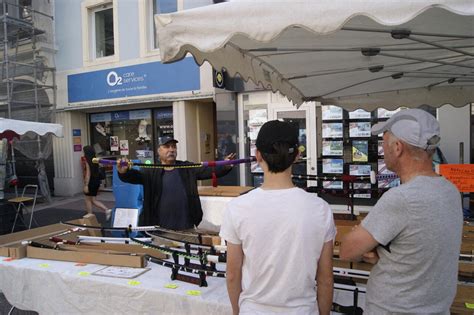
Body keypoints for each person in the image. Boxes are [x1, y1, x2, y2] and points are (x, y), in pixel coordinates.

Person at [340, 109, 463, 314]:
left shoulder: (401, 198)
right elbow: (418, 248)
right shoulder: (449, 191)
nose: (382, 150)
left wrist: (372, 243)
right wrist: (383, 251)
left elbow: (347, 250)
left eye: (384, 143)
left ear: (397, 148)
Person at [220, 120, 336, 315]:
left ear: (258, 156)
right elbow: (325, 279)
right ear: (297, 156)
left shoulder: (237, 208)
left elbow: (232, 274)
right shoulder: (320, 209)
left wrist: (236, 311)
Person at [117, 136, 236, 230]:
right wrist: (124, 172)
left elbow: (208, 170)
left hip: (187, 229)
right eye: (167, 147)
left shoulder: (187, 167)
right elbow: (133, 177)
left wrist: (224, 166)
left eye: (173, 147)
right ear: (158, 151)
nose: (171, 150)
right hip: (160, 231)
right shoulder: (151, 170)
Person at [82, 145, 112, 220]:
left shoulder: (87, 161)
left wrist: (86, 185)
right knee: (93, 199)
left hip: (91, 182)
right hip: (96, 181)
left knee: (88, 199)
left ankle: (89, 215)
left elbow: (88, 174)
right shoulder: (96, 160)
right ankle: (106, 210)